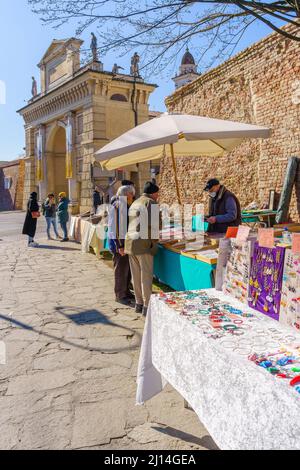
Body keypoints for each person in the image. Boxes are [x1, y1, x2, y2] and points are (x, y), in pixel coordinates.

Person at [125, 181, 160, 316]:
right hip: (143, 244)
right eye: (157, 193)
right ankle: (147, 306)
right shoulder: (151, 203)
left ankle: (138, 303)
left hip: (131, 243)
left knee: (136, 275)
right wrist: (154, 241)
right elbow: (155, 225)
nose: (158, 196)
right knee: (145, 276)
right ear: (153, 193)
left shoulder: (135, 202)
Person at [108, 185, 136, 305]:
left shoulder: (123, 204)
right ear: (127, 194)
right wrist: (120, 245)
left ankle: (126, 291)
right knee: (120, 270)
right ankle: (120, 294)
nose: (133, 197)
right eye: (131, 194)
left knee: (127, 268)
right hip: (120, 243)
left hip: (124, 242)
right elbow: (117, 228)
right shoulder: (120, 205)